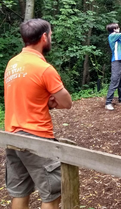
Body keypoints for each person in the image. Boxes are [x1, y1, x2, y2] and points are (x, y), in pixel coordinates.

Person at [4, 18, 73, 209]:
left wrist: (45, 101)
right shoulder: (44, 69)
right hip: (37, 137)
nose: (51, 38)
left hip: (11, 136)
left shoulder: (12, 64)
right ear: (44, 37)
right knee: (51, 194)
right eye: (50, 35)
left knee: (20, 192)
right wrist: (51, 101)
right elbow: (67, 102)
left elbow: (24, 97)